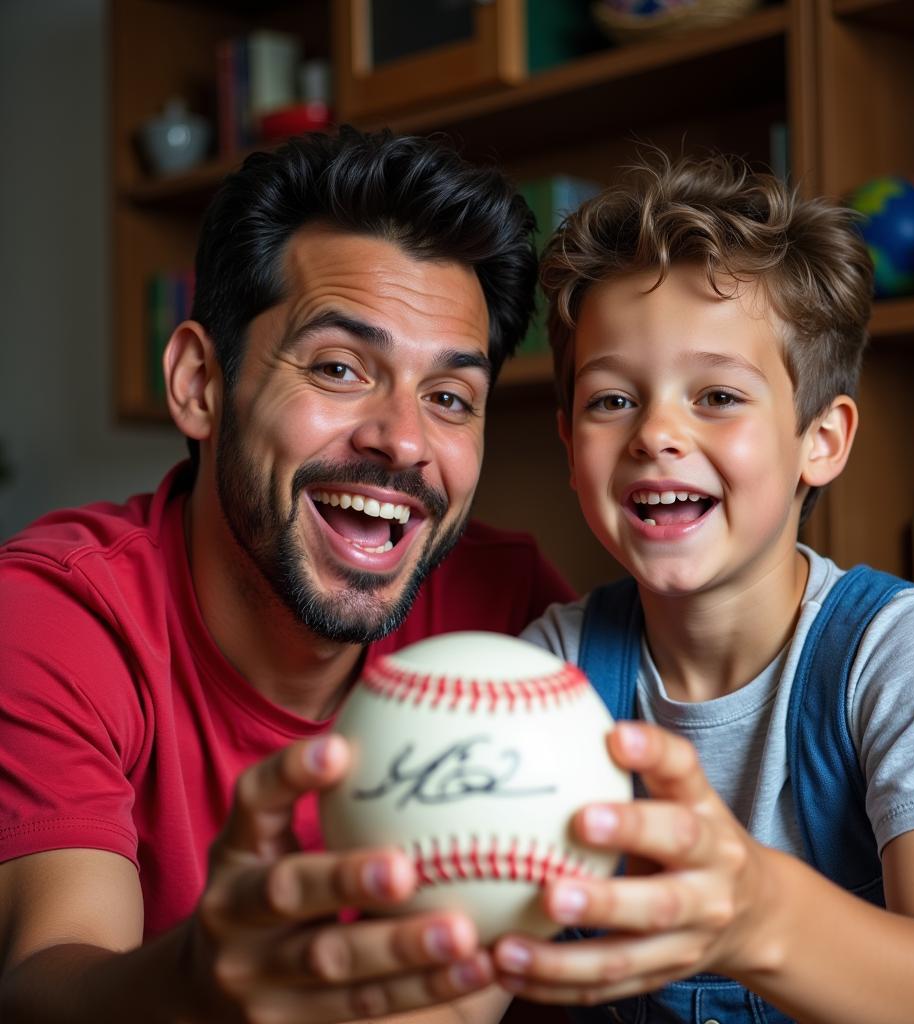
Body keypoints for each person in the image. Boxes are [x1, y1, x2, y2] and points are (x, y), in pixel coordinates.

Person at [0, 125, 576, 1023]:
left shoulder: (509, 611)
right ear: (199, 383)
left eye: (450, 398)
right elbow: (44, 981)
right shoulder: (61, 613)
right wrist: (198, 981)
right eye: (341, 368)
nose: (406, 440)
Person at [480, 152, 914, 1023]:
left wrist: (755, 914)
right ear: (568, 446)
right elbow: (470, 980)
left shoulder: (896, 651)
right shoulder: (553, 666)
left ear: (823, 439)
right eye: (611, 400)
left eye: (718, 395)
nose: (657, 431)